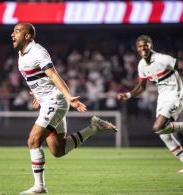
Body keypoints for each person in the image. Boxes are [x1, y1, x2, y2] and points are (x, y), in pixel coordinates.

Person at [11, 23, 117, 194]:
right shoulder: (21, 54)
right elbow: (37, 78)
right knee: (58, 150)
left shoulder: (38, 51)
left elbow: (53, 75)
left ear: (28, 36)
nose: (12, 34)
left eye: (17, 31)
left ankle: (40, 186)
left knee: (33, 140)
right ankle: (94, 127)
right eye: (13, 31)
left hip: (55, 101)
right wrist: (36, 94)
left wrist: (68, 97)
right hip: (47, 101)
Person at [117, 35, 183, 173]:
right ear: (137, 49)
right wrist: (128, 95)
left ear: (151, 46)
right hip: (163, 97)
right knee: (163, 134)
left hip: (175, 94)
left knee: (157, 127)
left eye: (146, 45)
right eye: (140, 46)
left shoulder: (162, 59)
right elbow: (142, 87)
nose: (143, 48)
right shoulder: (141, 65)